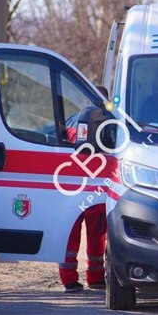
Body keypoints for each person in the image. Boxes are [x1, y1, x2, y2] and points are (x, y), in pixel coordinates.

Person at [59, 84, 110, 293]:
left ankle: (71, 279)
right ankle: (93, 277)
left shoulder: (72, 120)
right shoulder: (110, 123)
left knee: (73, 235)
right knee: (94, 235)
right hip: (94, 186)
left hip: (75, 187)